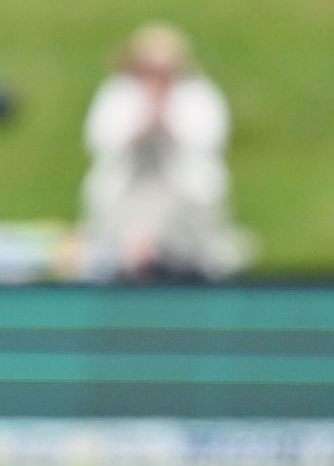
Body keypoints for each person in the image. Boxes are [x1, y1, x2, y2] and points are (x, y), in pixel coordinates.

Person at [78, 23, 253, 280]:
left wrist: (165, 120)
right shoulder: (118, 93)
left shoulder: (197, 94)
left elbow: (206, 145)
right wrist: (144, 124)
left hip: (185, 197)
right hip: (128, 191)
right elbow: (102, 141)